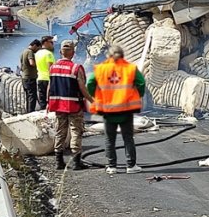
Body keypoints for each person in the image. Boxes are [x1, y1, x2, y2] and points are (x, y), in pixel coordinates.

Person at [86, 44, 146, 174]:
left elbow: (90, 83)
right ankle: (131, 166)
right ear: (122, 55)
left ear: (109, 55)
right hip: (126, 109)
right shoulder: (130, 68)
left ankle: (111, 166)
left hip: (108, 110)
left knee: (110, 138)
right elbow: (141, 83)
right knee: (128, 137)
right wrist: (137, 95)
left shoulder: (100, 69)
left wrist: (97, 95)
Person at [47, 39, 92, 170]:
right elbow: (82, 88)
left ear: (61, 52)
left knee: (60, 131)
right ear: (73, 52)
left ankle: (59, 162)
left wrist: (47, 102)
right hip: (74, 106)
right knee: (75, 131)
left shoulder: (53, 67)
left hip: (58, 105)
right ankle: (76, 162)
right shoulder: (76, 68)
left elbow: (50, 87)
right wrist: (91, 100)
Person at [19, 38, 41, 113]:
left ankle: (27, 111)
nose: (37, 50)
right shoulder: (30, 52)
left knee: (28, 96)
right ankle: (31, 112)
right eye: (38, 48)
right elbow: (31, 63)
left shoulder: (24, 51)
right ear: (34, 45)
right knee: (32, 97)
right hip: (30, 78)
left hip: (24, 77)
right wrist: (38, 65)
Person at [34, 36, 56, 110]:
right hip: (48, 80)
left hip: (40, 78)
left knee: (42, 100)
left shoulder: (37, 53)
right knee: (50, 100)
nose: (52, 44)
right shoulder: (48, 54)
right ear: (46, 42)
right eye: (51, 42)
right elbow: (50, 68)